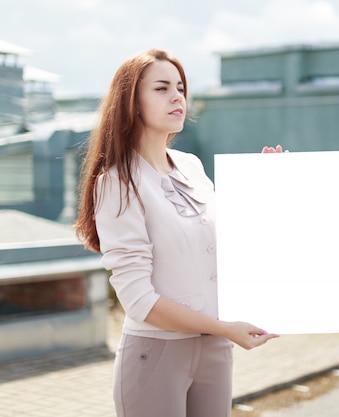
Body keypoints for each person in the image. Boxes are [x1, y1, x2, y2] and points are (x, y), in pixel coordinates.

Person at [74, 48, 280, 417]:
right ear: (131, 102)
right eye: (162, 88)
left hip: (215, 350)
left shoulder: (191, 165)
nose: (177, 97)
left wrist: (264, 187)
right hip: (157, 354)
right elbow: (138, 300)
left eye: (181, 88)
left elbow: (222, 244)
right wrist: (222, 326)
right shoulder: (118, 183)